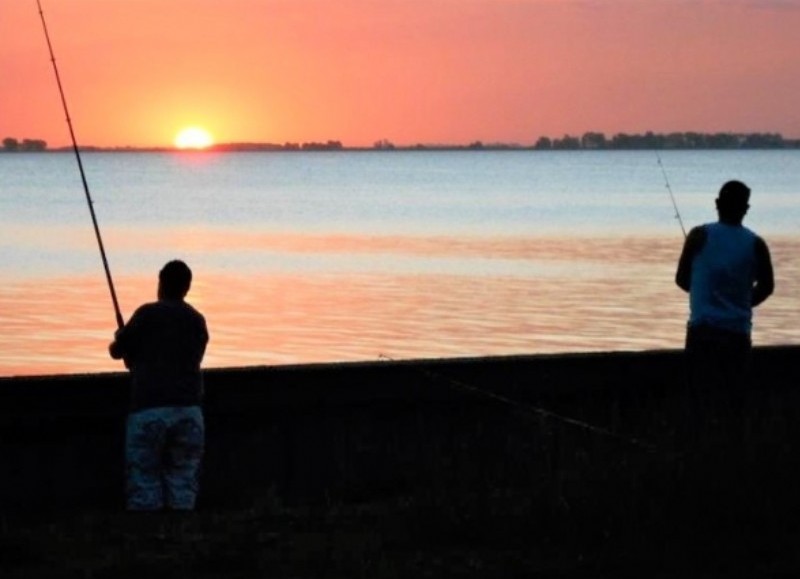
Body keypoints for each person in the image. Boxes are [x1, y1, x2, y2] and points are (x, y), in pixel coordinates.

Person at [675, 180, 774, 440]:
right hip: (737, 335)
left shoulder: (698, 236)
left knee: (699, 403)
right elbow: (767, 287)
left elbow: (682, 280)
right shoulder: (756, 244)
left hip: (702, 333)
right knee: (733, 406)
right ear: (746, 208)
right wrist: (741, 301)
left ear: (717, 204)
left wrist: (705, 294)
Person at [109, 260, 209, 511]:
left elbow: (117, 352)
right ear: (187, 287)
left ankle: (149, 541)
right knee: (183, 483)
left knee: (143, 484)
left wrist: (121, 338)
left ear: (161, 283)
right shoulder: (197, 321)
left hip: (148, 408)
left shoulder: (146, 314)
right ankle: (181, 541)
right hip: (189, 411)